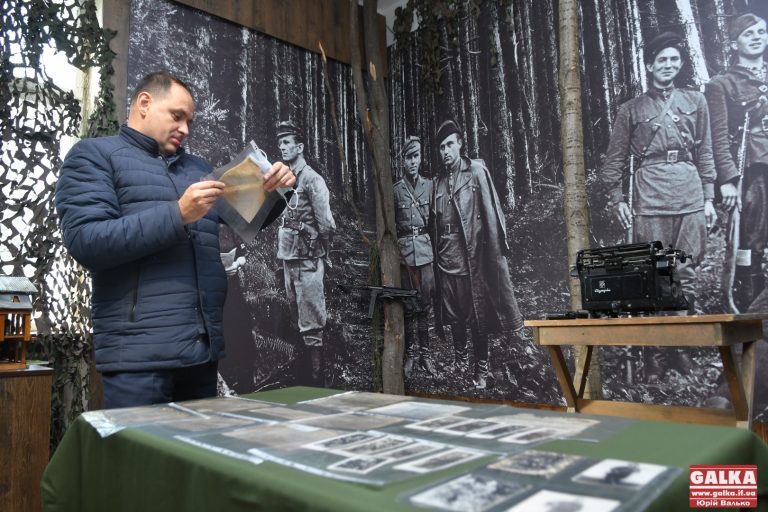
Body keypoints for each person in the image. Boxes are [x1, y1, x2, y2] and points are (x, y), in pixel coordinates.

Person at [55, 71, 296, 408]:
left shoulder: (198, 168)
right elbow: (87, 242)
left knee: (191, 457)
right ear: (144, 103)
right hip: (138, 359)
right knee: (140, 460)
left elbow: (246, 220)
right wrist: (178, 213)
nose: (185, 129)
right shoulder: (93, 156)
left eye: (190, 121)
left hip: (201, 353)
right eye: (177, 116)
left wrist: (275, 189)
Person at [600, 32, 717, 380]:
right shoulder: (631, 110)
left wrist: (709, 198)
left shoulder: (696, 101)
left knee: (686, 272)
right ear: (649, 65)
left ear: (680, 64)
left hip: (690, 194)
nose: (668, 65)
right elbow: (614, 160)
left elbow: (706, 152)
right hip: (649, 198)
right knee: (653, 276)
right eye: (661, 60)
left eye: (674, 59)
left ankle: (678, 349)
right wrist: (616, 200)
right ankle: (653, 353)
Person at [430, 119, 524, 389]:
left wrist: (495, 254)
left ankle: (481, 369)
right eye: (441, 147)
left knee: (476, 316)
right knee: (454, 314)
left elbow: (492, 213)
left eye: (450, 144)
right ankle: (460, 362)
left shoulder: (476, 172)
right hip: (446, 260)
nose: (445, 151)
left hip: (471, 258)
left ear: (460, 143)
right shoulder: (438, 183)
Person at [705, 13, 768, 313]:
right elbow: (718, 137)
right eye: (748, 34)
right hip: (752, 173)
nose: (757, 37)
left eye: (761, 31)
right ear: (734, 43)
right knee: (751, 244)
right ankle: (751, 313)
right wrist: (727, 179)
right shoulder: (721, 84)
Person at [275, 120, 336, 386]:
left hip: (308, 259)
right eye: (280, 142)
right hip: (289, 257)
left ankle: (316, 379)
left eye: (287, 142)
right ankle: (301, 376)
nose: (282, 146)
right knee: (296, 317)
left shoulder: (312, 180)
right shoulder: (285, 178)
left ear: (300, 146)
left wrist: (322, 251)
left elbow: (327, 224)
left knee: (312, 321)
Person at [393, 136, 437, 378]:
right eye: (409, 157)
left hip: (425, 252)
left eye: (416, 156)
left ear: (420, 158)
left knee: (425, 306)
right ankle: (410, 353)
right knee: (409, 306)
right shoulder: (396, 190)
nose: (413, 162)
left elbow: (435, 221)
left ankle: (426, 355)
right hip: (405, 256)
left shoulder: (429, 186)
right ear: (403, 161)